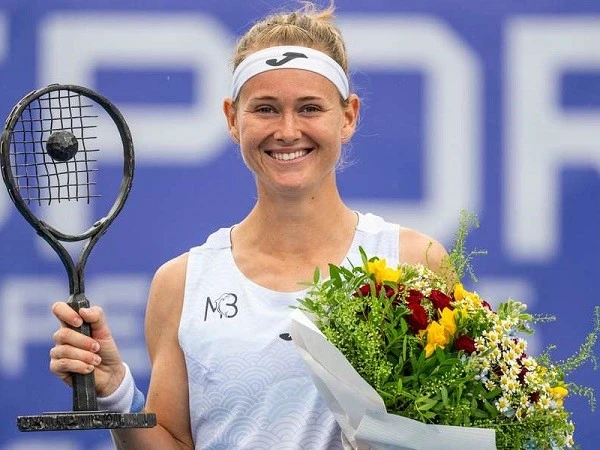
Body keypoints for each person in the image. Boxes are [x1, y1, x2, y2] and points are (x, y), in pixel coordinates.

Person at [49, 2, 448, 449]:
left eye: (310, 108)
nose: (288, 131)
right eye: (266, 109)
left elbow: (455, 424)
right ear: (232, 119)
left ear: (348, 117)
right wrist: (116, 394)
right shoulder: (181, 285)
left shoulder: (415, 262)